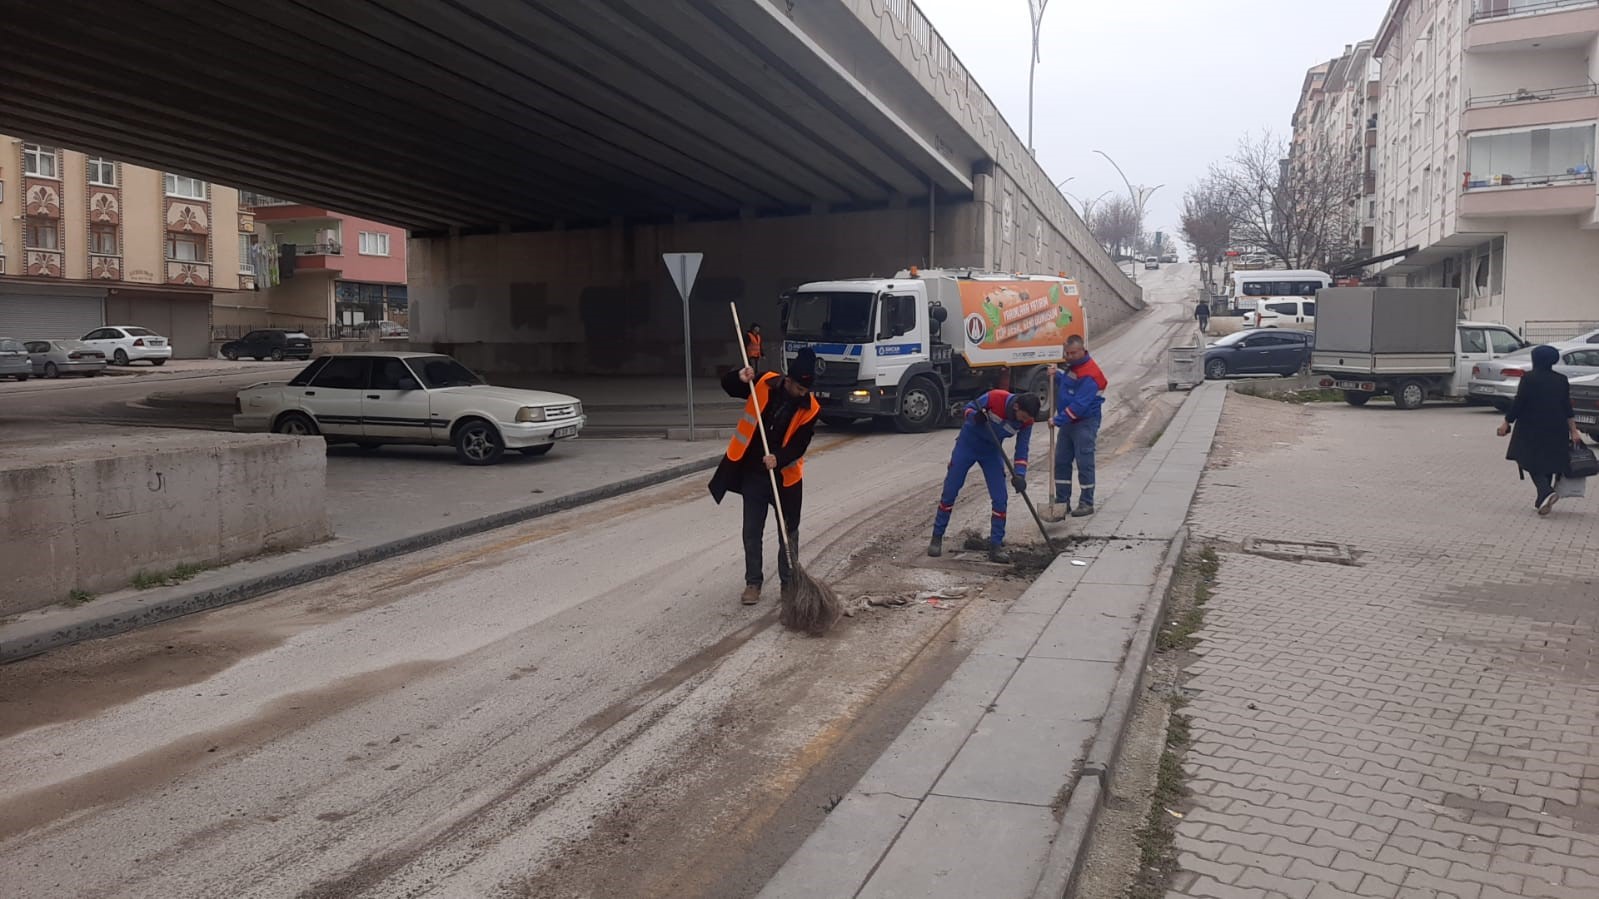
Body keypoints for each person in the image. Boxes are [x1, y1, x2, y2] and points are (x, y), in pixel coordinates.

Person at [710, 347, 820, 604]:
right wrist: (740, 377)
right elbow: (729, 387)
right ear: (789, 380)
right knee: (751, 530)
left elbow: (800, 444)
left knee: (788, 532)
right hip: (754, 474)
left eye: (807, 390)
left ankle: (788, 584)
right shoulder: (764, 381)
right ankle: (753, 583)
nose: (803, 394)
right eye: (800, 389)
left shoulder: (811, 408)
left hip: (786, 478)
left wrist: (779, 458)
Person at [927, 388, 1042, 563]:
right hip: (968, 445)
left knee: (1000, 498)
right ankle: (937, 537)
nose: (1024, 421)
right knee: (950, 490)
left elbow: (1022, 449)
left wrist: (1020, 475)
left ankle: (995, 546)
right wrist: (975, 417)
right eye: (1024, 416)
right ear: (1016, 407)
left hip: (991, 452)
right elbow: (968, 409)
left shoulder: (1027, 422)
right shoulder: (996, 397)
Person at [1498, 344, 1583, 515]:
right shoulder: (1561, 379)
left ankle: (1546, 492)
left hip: (1531, 427)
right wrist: (1573, 430)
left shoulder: (1529, 378)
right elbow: (1567, 406)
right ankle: (1542, 501)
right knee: (1549, 462)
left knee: (1526, 459)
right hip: (1557, 427)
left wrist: (1507, 421)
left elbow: (1519, 402)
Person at [1048, 335, 1108, 519]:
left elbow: (1080, 405)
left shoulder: (1091, 373)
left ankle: (1086, 502)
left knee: (1084, 462)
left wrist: (1057, 420)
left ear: (1083, 350)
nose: (1069, 356)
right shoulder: (1074, 368)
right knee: (1061, 461)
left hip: (1085, 422)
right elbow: (1069, 385)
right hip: (1069, 422)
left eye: (1073, 353)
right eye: (1066, 353)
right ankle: (1062, 501)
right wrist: (1057, 374)